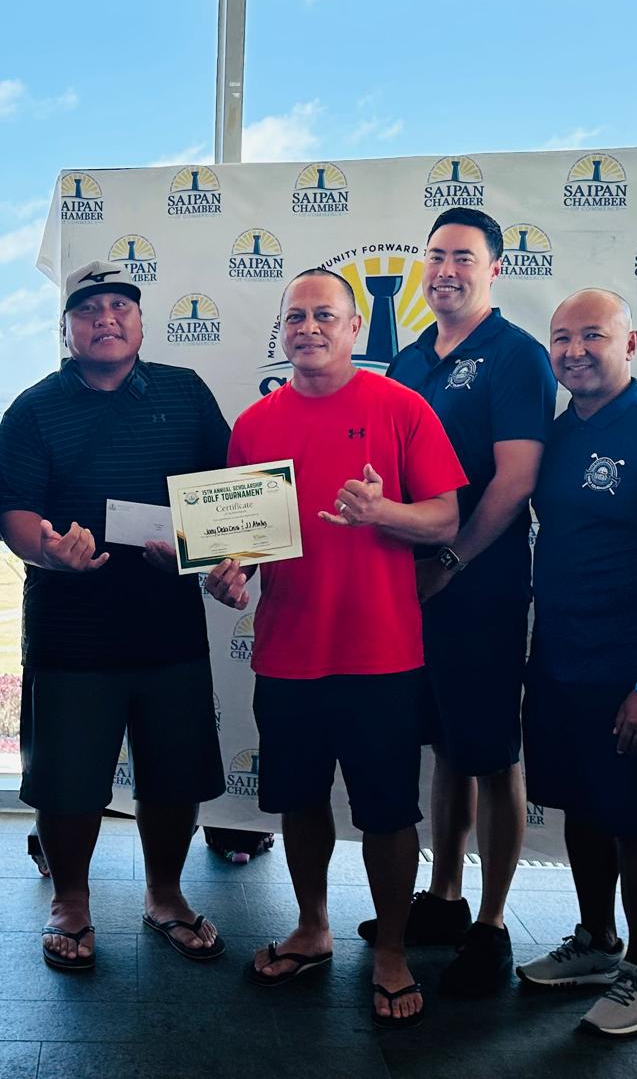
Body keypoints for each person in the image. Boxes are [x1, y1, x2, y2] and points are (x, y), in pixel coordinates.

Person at [206, 267, 464, 1027]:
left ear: (355, 328)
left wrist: (385, 511)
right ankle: (312, 927)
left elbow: (446, 520)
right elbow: (243, 546)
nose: (309, 328)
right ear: (282, 331)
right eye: (296, 317)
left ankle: (391, 951)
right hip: (288, 652)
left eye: (325, 315)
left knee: (387, 812)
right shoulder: (254, 425)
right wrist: (230, 577)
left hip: (383, 655)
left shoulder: (402, 407)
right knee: (300, 801)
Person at [0, 260, 229, 971]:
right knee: (68, 781)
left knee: (174, 775)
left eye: (120, 306)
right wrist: (49, 551)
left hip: (170, 626)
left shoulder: (185, 393)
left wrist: (204, 552)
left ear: (141, 320)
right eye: (89, 310)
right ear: (67, 328)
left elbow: (227, 494)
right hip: (72, 631)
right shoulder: (34, 408)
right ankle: (71, 901)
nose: (106, 319)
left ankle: (166, 895)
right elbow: (14, 513)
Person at [517, 289, 637, 1037]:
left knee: (634, 821)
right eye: (561, 337)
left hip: (631, 674)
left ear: (629, 344)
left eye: (592, 335)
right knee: (582, 808)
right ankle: (598, 942)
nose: (574, 350)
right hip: (557, 663)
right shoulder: (556, 435)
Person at [375, 208, 555, 996]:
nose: (446, 270)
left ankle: (492, 921)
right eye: (436, 256)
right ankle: (444, 897)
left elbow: (516, 481)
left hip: (479, 583)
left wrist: (451, 560)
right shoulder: (410, 358)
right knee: (447, 746)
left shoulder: (516, 356)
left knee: (492, 751)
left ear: (494, 269)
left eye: (464, 257)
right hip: (409, 584)